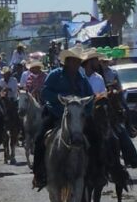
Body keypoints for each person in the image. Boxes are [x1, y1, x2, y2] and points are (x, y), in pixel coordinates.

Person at [32, 47, 92, 189]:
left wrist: (86, 112)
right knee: (40, 139)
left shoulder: (82, 78)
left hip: (78, 117)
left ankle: (96, 172)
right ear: (67, 62)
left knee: (97, 136)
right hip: (55, 113)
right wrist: (63, 100)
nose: (76, 64)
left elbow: (90, 96)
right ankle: (39, 174)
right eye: (74, 61)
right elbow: (45, 92)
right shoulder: (55, 75)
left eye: (78, 61)